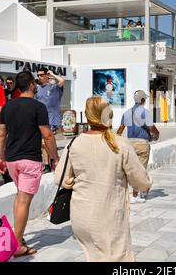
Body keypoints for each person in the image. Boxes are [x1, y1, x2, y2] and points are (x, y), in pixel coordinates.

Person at [54, 96, 152, 261]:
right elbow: (141, 182)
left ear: (87, 116)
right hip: (108, 218)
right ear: (110, 115)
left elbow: (61, 178)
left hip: (81, 216)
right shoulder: (120, 144)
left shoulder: (75, 143)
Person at [0, 71, 59, 257]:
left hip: (12, 160)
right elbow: (47, 135)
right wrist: (55, 157)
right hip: (29, 159)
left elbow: (1, 134)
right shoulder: (38, 107)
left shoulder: (7, 107)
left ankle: (19, 237)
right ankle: (17, 245)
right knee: (24, 200)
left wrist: (1, 157)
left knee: (19, 198)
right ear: (32, 85)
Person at [117, 90, 159, 204]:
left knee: (130, 169)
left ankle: (137, 192)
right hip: (142, 144)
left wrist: (115, 140)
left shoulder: (127, 113)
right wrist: (157, 134)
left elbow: (120, 129)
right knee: (141, 169)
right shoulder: (145, 113)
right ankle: (136, 195)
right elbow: (151, 127)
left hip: (130, 143)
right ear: (143, 100)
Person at [35, 68, 65, 174]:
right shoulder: (37, 89)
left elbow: (62, 81)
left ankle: (53, 160)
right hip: (41, 118)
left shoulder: (54, 87)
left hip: (52, 118)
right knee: (43, 144)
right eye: (38, 75)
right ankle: (47, 163)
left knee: (47, 141)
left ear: (47, 75)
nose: (39, 77)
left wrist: (52, 74)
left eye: (42, 75)